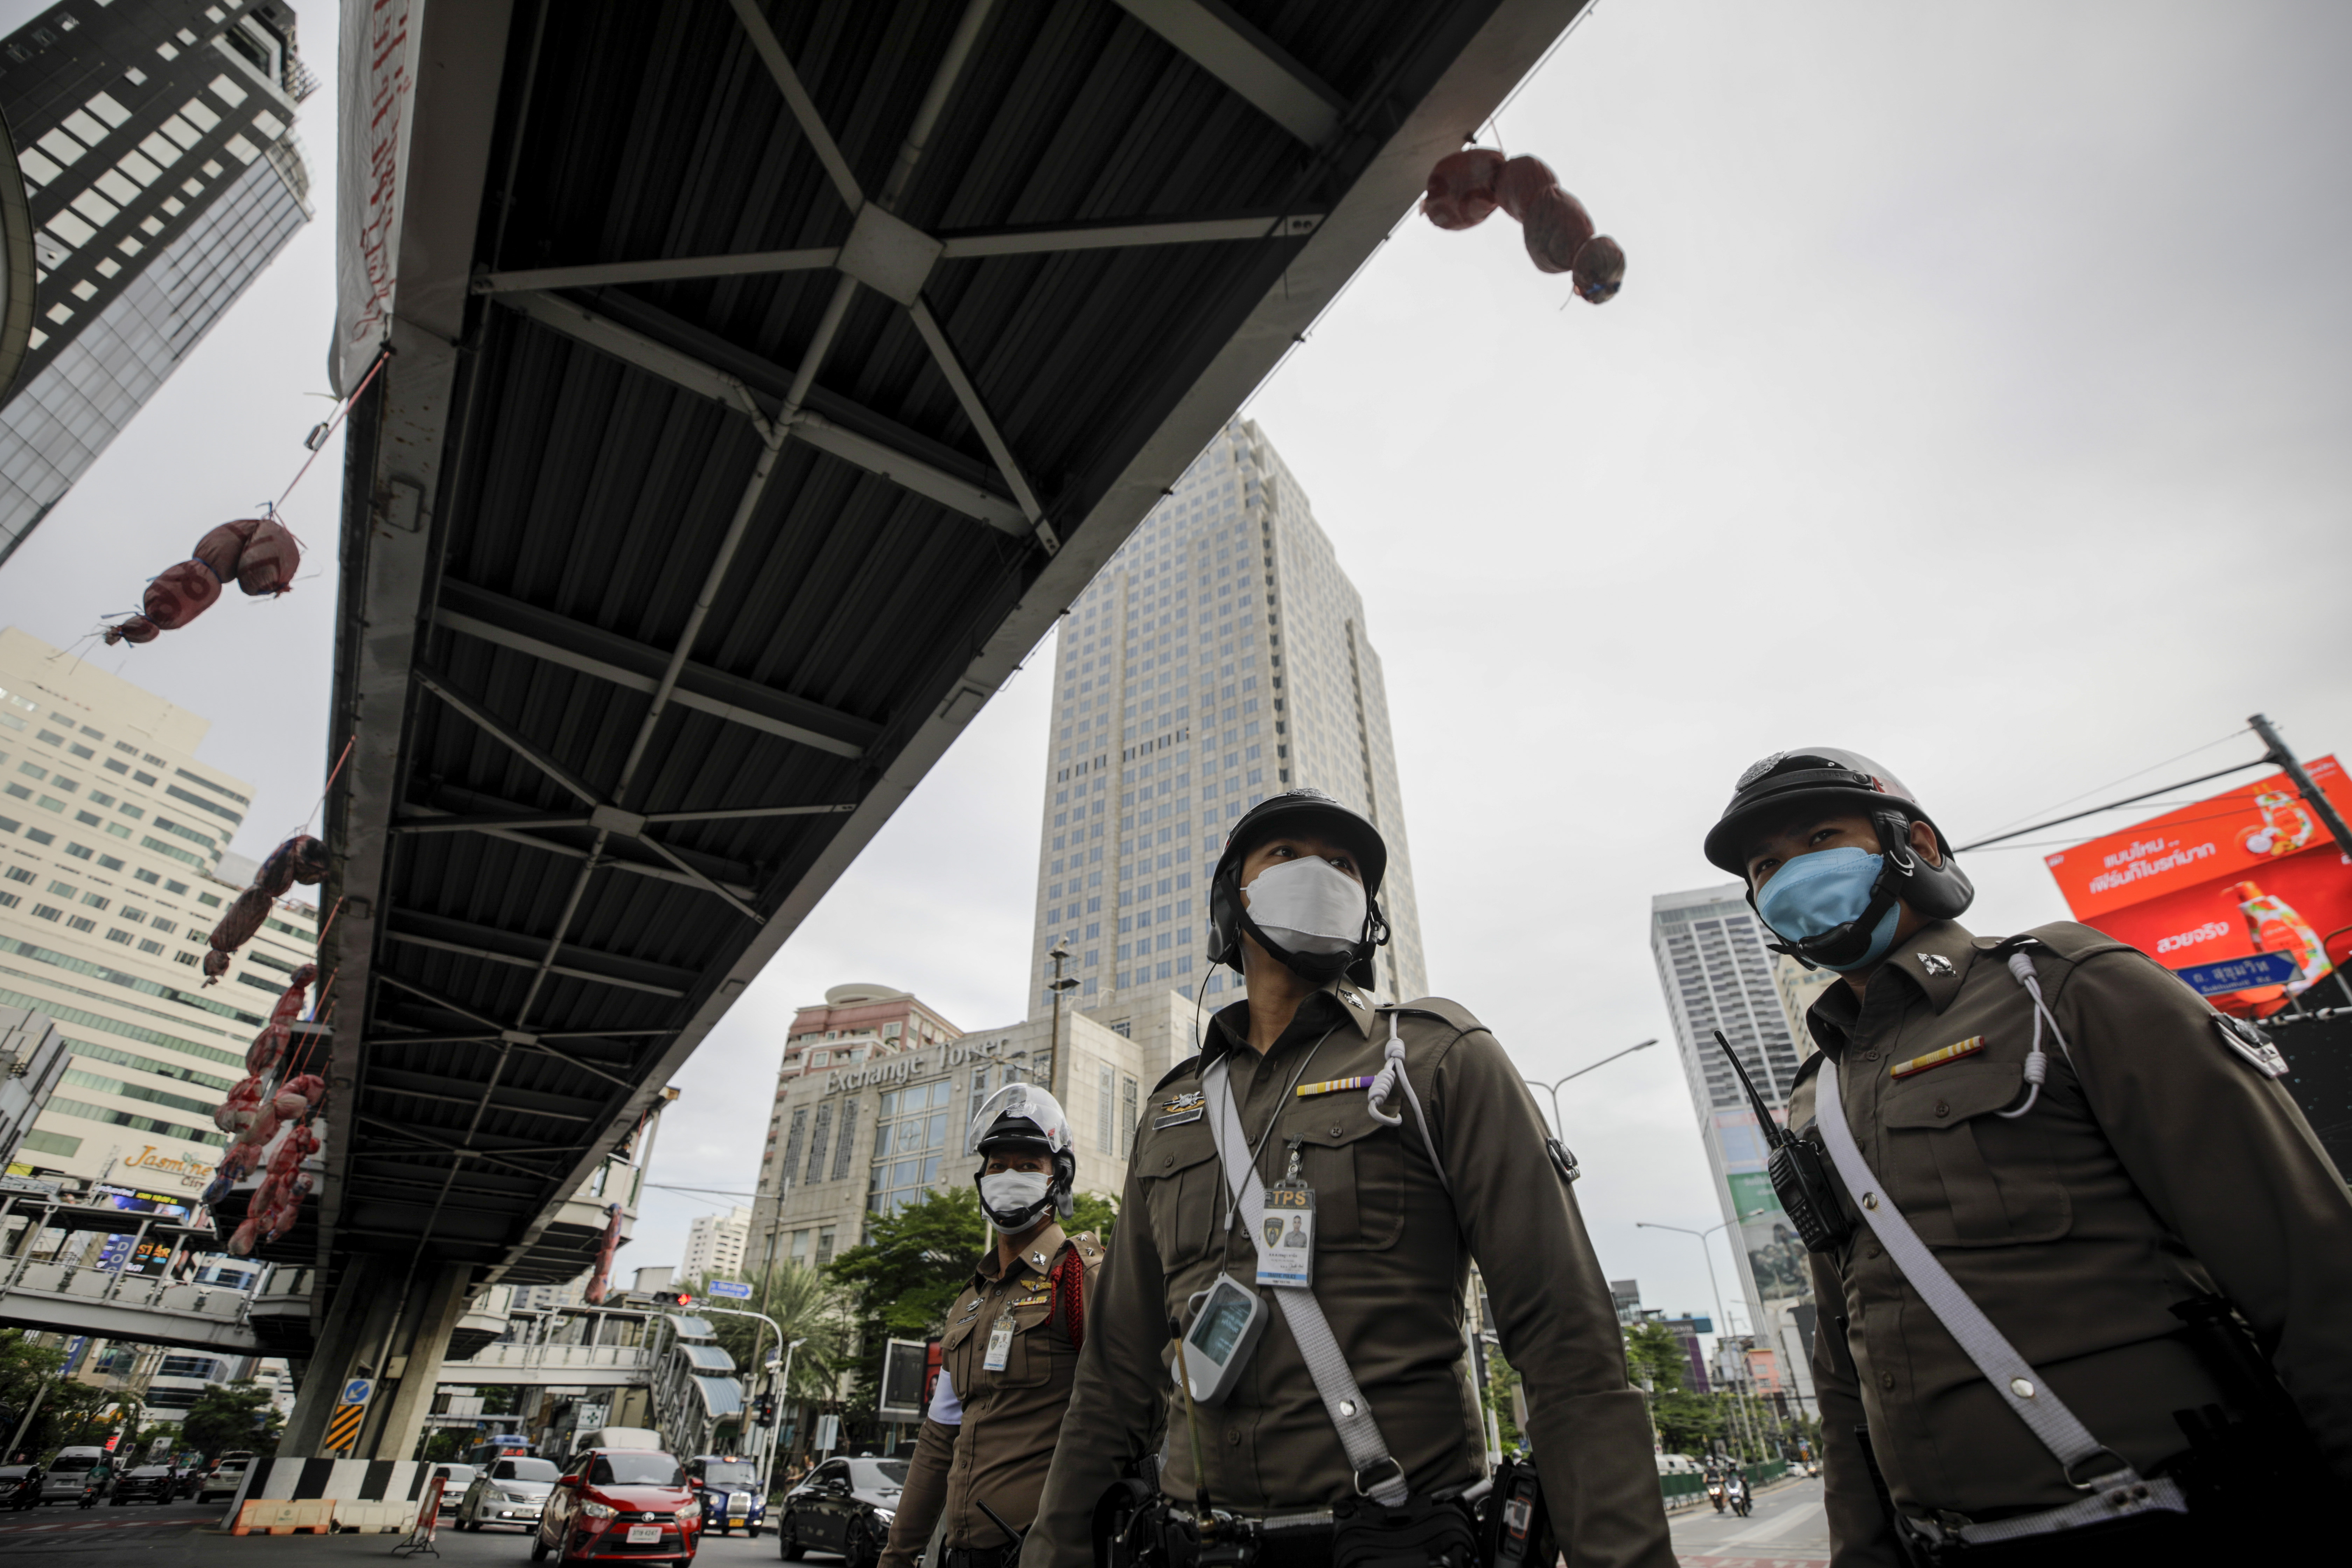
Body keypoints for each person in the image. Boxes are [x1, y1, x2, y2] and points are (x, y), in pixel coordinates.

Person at [1703, 748, 2352, 1565]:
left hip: (2167, 1511)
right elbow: (1845, 1371)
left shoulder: (2066, 987)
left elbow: (2315, 1273)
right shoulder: (1814, 1096)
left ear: (1920, 849)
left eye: (1821, 837)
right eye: (1767, 866)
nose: (1791, 874)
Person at [1027, 787, 1672, 1568]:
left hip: (1398, 1540)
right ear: (1234, 899)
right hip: (1196, 1545)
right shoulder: (1172, 1107)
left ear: (1369, 916)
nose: (1320, 873)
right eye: (1286, 854)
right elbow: (1114, 1374)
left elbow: (1567, 1341)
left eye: (1343, 864)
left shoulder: (1438, 1057)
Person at [878, 1084, 1105, 1568]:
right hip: (961, 1554)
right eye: (998, 1166)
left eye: (1028, 1166)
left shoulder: (1080, 1276)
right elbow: (940, 1438)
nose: (1009, 1177)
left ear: (1058, 1178)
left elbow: (1133, 1410)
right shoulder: (970, 1300)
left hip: (1046, 1552)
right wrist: (897, 1556)